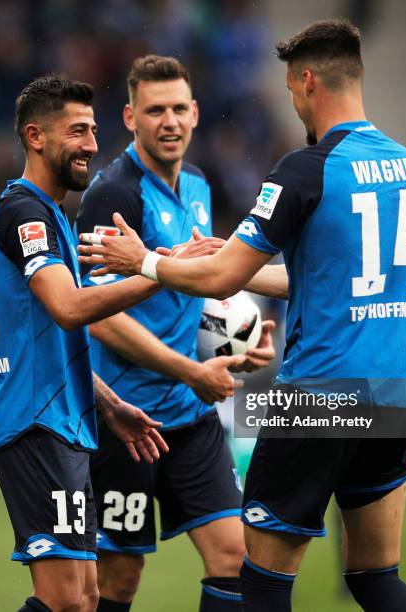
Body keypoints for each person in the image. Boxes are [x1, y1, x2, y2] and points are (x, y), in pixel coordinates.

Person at [78, 21, 406, 612]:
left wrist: (146, 263)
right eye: (155, 109)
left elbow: (219, 279)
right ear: (131, 117)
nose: (292, 102)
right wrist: (228, 326)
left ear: (307, 80)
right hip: (393, 392)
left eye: (292, 88)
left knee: (259, 581)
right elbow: (315, 278)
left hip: (316, 392)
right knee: (375, 577)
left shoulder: (302, 168)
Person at [75, 55, 276, 612]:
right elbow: (96, 312)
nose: (169, 121)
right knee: (118, 579)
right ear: (130, 117)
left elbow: (196, 287)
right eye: (155, 110)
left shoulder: (197, 184)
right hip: (126, 420)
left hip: (189, 416)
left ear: (196, 113)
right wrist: (191, 369)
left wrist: (237, 343)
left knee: (235, 556)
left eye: (178, 109)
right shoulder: (112, 194)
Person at [0, 73, 178, 612]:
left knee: (88, 596)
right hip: (33, 423)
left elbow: (46, 341)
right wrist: (161, 271)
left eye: (93, 130)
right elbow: (67, 308)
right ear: (36, 136)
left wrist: (109, 404)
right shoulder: (24, 213)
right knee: (67, 600)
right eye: (77, 131)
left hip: (65, 422)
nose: (93, 144)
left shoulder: (53, 216)